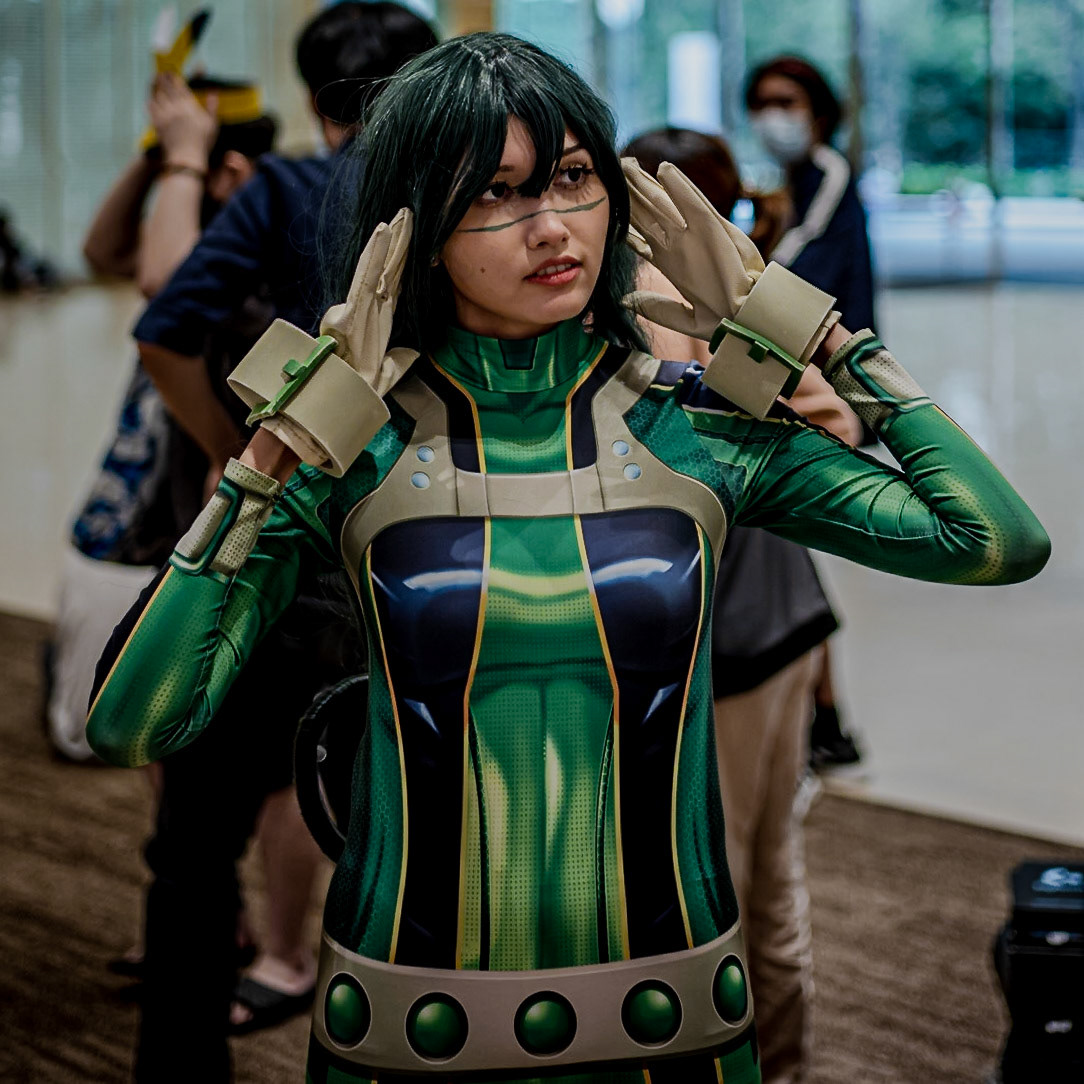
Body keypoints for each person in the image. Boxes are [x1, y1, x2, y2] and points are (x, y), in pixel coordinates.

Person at [88, 32, 1049, 1084]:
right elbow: (134, 723)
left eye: (573, 177)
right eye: (493, 193)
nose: (550, 225)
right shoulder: (353, 456)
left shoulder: (696, 432)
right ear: (415, 229)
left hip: (676, 1022)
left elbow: (995, 540)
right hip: (407, 1023)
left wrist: (808, 330)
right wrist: (268, 459)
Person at [102, 6, 437, 1080]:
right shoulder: (451, 198)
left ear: (313, 97)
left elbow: (162, 324)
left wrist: (232, 450)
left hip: (270, 529)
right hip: (411, 542)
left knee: (196, 837)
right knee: (402, 822)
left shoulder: (292, 187)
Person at [624, 125, 860, 1084]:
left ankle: (771, 1066)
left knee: (725, 889)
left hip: (738, 637)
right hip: (762, 624)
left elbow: (834, 427)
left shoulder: (700, 301)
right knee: (758, 881)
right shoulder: (709, 297)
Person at [746, 55, 879, 769]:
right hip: (799, 378)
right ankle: (826, 715)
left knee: (791, 546)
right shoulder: (791, 180)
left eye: (786, 100)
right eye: (761, 102)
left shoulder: (827, 174)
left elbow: (797, 268)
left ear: (819, 110)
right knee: (791, 549)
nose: (773, 116)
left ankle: (825, 717)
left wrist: (729, 269)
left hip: (823, 387)